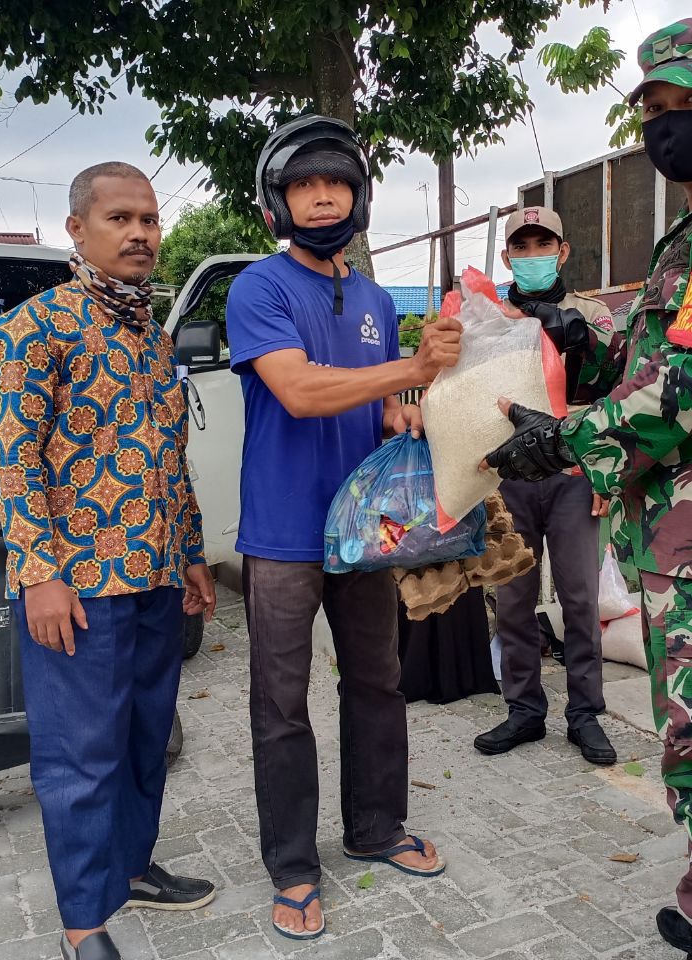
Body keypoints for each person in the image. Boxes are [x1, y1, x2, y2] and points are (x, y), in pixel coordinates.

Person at [484, 18, 692, 960]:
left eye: (691, 107)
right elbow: (663, 352)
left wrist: (566, 445)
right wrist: (584, 339)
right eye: (658, 111)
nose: (669, 129)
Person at [225, 114, 459, 942]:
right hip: (285, 535)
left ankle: (377, 828)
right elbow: (298, 390)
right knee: (282, 706)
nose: (322, 198)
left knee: (377, 682)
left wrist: (409, 410)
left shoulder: (370, 297)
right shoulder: (257, 288)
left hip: (366, 534)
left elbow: (379, 400)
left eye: (337, 184)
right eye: (303, 185)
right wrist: (413, 368)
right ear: (275, 204)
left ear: (358, 198)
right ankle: (292, 867)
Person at [0, 162, 220, 960]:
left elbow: (168, 458)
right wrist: (40, 574)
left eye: (150, 220)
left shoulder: (151, 339)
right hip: (77, 588)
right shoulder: (32, 330)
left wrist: (190, 554)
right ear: (77, 230)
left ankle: (131, 864)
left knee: (145, 738)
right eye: (121, 218)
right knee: (80, 756)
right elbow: (11, 463)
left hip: (154, 579)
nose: (141, 235)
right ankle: (84, 922)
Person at [473, 206, 618, 765]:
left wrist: (609, 469)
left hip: (575, 470)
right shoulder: (492, 317)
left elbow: (616, 387)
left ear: (562, 251)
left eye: (544, 244)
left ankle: (584, 713)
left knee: (580, 598)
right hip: (511, 472)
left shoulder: (593, 312)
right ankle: (525, 710)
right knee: (512, 598)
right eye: (522, 245)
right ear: (508, 256)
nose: (532, 254)